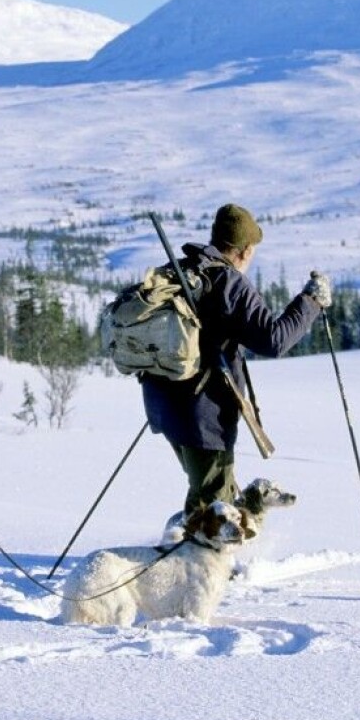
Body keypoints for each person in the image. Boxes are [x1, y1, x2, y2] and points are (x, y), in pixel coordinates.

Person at [141, 203, 331, 523]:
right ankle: (197, 567)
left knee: (217, 498)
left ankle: (211, 554)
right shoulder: (229, 283)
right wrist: (311, 302)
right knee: (212, 511)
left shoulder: (184, 270)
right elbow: (274, 340)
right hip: (203, 414)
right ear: (243, 251)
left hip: (165, 404)